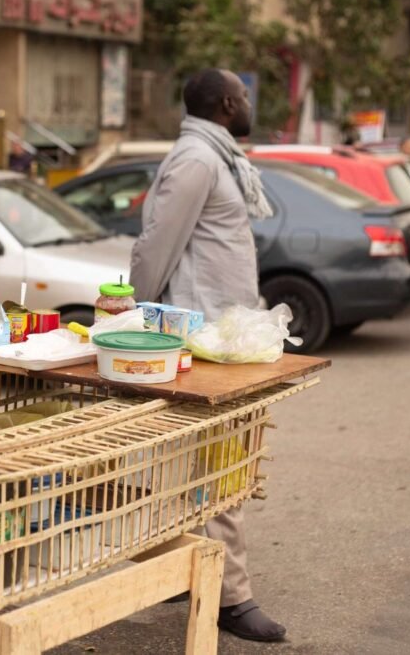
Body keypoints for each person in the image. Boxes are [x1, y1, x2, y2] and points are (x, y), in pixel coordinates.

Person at [129, 68, 285, 643]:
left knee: (209, 464)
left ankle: (190, 570)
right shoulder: (198, 158)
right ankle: (232, 598)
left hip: (224, 336)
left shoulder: (216, 156)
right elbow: (157, 246)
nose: (248, 104)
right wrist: (135, 316)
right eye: (243, 96)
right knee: (223, 466)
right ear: (225, 104)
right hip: (202, 339)